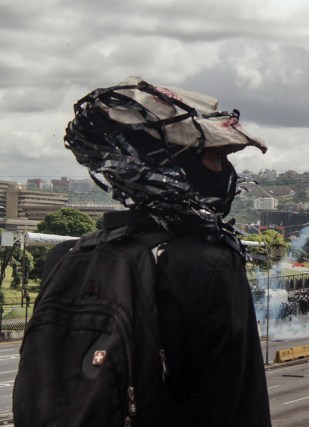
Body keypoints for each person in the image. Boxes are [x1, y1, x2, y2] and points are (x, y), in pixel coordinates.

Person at [41, 77, 271, 426]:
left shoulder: (65, 257)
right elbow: (239, 406)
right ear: (171, 165)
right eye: (216, 157)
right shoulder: (210, 265)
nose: (227, 171)